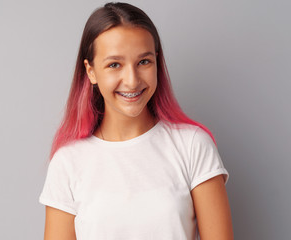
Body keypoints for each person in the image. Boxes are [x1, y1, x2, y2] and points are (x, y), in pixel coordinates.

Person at [39, 2, 234, 240]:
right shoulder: (67, 163)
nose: (132, 81)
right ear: (91, 71)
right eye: (114, 65)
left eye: (144, 62)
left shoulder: (193, 145)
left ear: (157, 62)